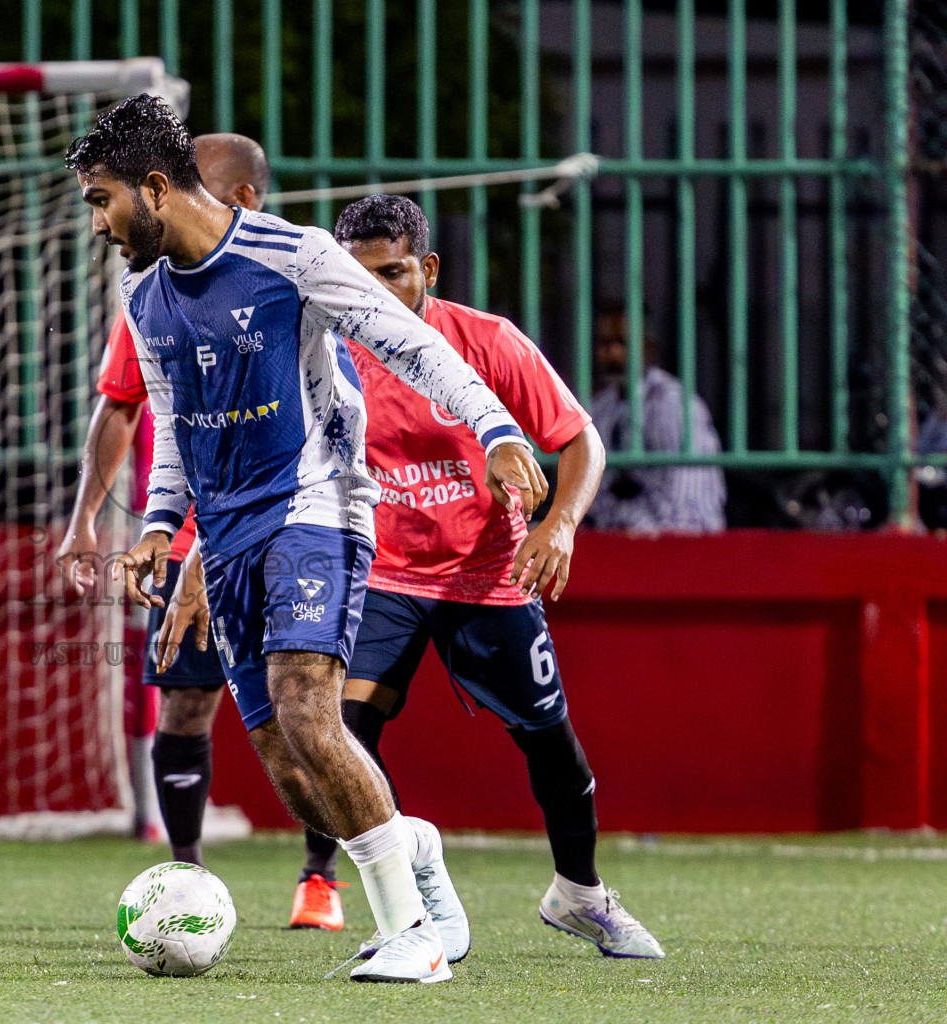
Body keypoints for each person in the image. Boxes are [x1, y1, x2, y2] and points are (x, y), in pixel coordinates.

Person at [67, 95, 547, 984]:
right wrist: (164, 529)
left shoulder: (293, 256)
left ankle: (413, 935)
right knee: (290, 767)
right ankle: (413, 844)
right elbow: (176, 425)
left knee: (303, 703)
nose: (98, 222)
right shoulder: (143, 294)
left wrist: (496, 428)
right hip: (229, 534)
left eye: (102, 200)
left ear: (158, 187)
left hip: (318, 508)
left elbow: (408, 344)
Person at [306, 194, 661, 959]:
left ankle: (580, 893)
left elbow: (579, 440)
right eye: (359, 275)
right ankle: (413, 904)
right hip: (384, 575)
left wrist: (559, 523)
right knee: (345, 735)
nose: (375, 292)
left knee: (550, 746)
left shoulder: (487, 342)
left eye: (393, 273)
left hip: (486, 576)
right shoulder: (324, 349)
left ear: (427, 269)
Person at [55, 133, 272, 868]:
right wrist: (87, 519)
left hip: (295, 526)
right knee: (184, 703)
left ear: (239, 198)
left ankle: (327, 876)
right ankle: (185, 875)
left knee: (313, 712)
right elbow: (121, 406)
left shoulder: (291, 276)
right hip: (186, 539)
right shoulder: (147, 296)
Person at [586, 303, 726, 532]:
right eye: (604, 343)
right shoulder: (601, 408)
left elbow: (686, 506)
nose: (612, 353)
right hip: (621, 540)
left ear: (649, 348)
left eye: (623, 343)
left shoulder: (673, 405)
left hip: (679, 544)